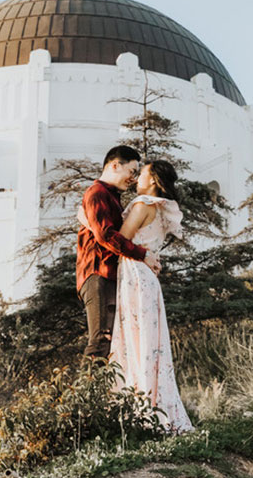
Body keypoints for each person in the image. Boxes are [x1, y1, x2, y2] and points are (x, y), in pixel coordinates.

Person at [79, 159, 193, 434]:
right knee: (148, 343)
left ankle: (137, 410)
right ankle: (151, 406)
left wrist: (85, 219)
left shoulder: (142, 205)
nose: (137, 177)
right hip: (147, 278)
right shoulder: (158, 209)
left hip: (134, 275)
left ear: (153, 180)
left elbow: (118, 239)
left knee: (133, 339)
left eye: (141, 173)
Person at [77, 145, 161, 359]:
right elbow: (105, 235)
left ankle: (102, 392)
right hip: (99, 274)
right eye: (131, 171)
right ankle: (89, 393)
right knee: (100, 343)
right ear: (115, 165)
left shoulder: (110, 196)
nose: (133, 178)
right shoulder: (98, 193)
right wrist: (143, 255)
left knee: (111, 344)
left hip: (107, 275)